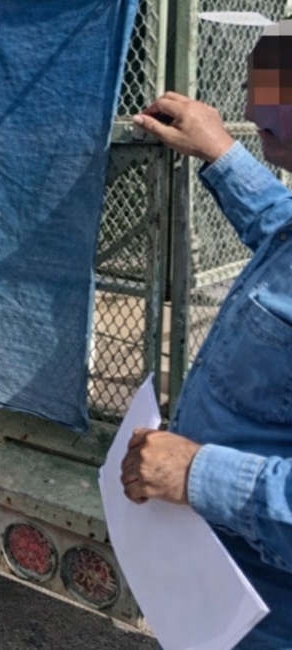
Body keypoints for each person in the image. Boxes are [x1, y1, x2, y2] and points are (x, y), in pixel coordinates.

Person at [124, 22, 292, 648]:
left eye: (279, 90)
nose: (251, 108)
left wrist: (198, 473)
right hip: (223, 580)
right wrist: (221, 153)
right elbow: (280, 227)